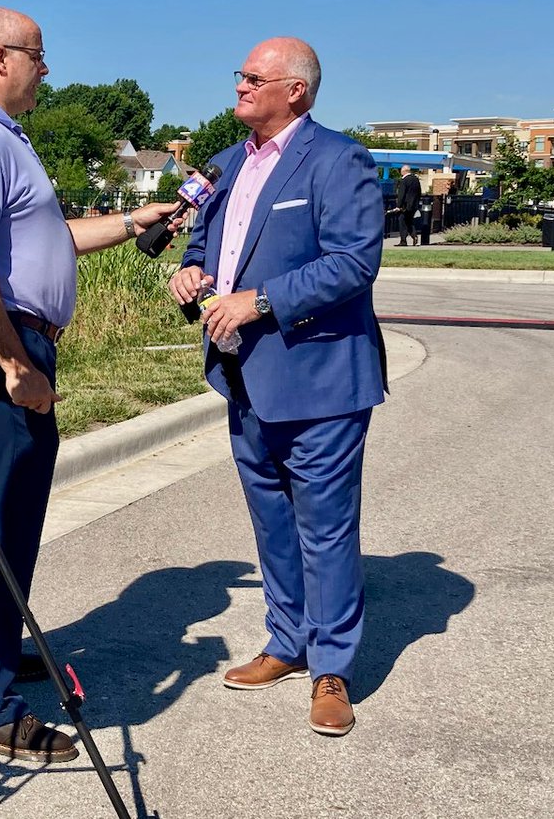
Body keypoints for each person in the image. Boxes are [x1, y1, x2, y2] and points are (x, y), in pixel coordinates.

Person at [0, 5, 178, 763]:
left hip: (7, 340)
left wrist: (134, 222)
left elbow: (48, 238)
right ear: (1, 57)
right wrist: (13, 364)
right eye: (39, 55)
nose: (47, 69)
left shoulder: (2, 136)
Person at [167, 37, 386, 737]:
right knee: (272, 522)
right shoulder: (227, 165)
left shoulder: (337, 159)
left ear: (296, 89)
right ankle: (287, 644)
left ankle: (332, 669)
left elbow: (355, 262)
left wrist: (260, 300)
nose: (239, 86)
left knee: (325, 529)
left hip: (321, 379)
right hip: (244, 375)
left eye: (253, 78)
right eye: (239, 75)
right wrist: (189, 274)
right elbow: (204, 248)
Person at [395, 164, 422, 245]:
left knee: (402, 220)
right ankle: (414, 235)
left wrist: (398, 206)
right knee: (409, 221)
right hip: (414, 205)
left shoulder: (404, 181)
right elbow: (419, 193)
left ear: (404, 171)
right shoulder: (416, 180)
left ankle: (403, 240)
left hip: (405, 206)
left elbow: (401, 194)